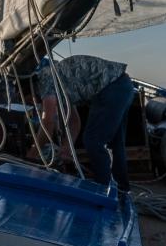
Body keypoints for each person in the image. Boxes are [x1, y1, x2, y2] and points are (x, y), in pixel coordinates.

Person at [31, 54, 136, 191]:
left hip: (110, 87)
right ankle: (123, 190)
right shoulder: (60, 80)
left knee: (93, 140)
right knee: (116, 143)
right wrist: (67, 147)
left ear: (31, 91)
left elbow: (48, 122)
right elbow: (74, 121)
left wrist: (32, 153)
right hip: (124, 85)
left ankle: (102, 191)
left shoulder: (45, 78)